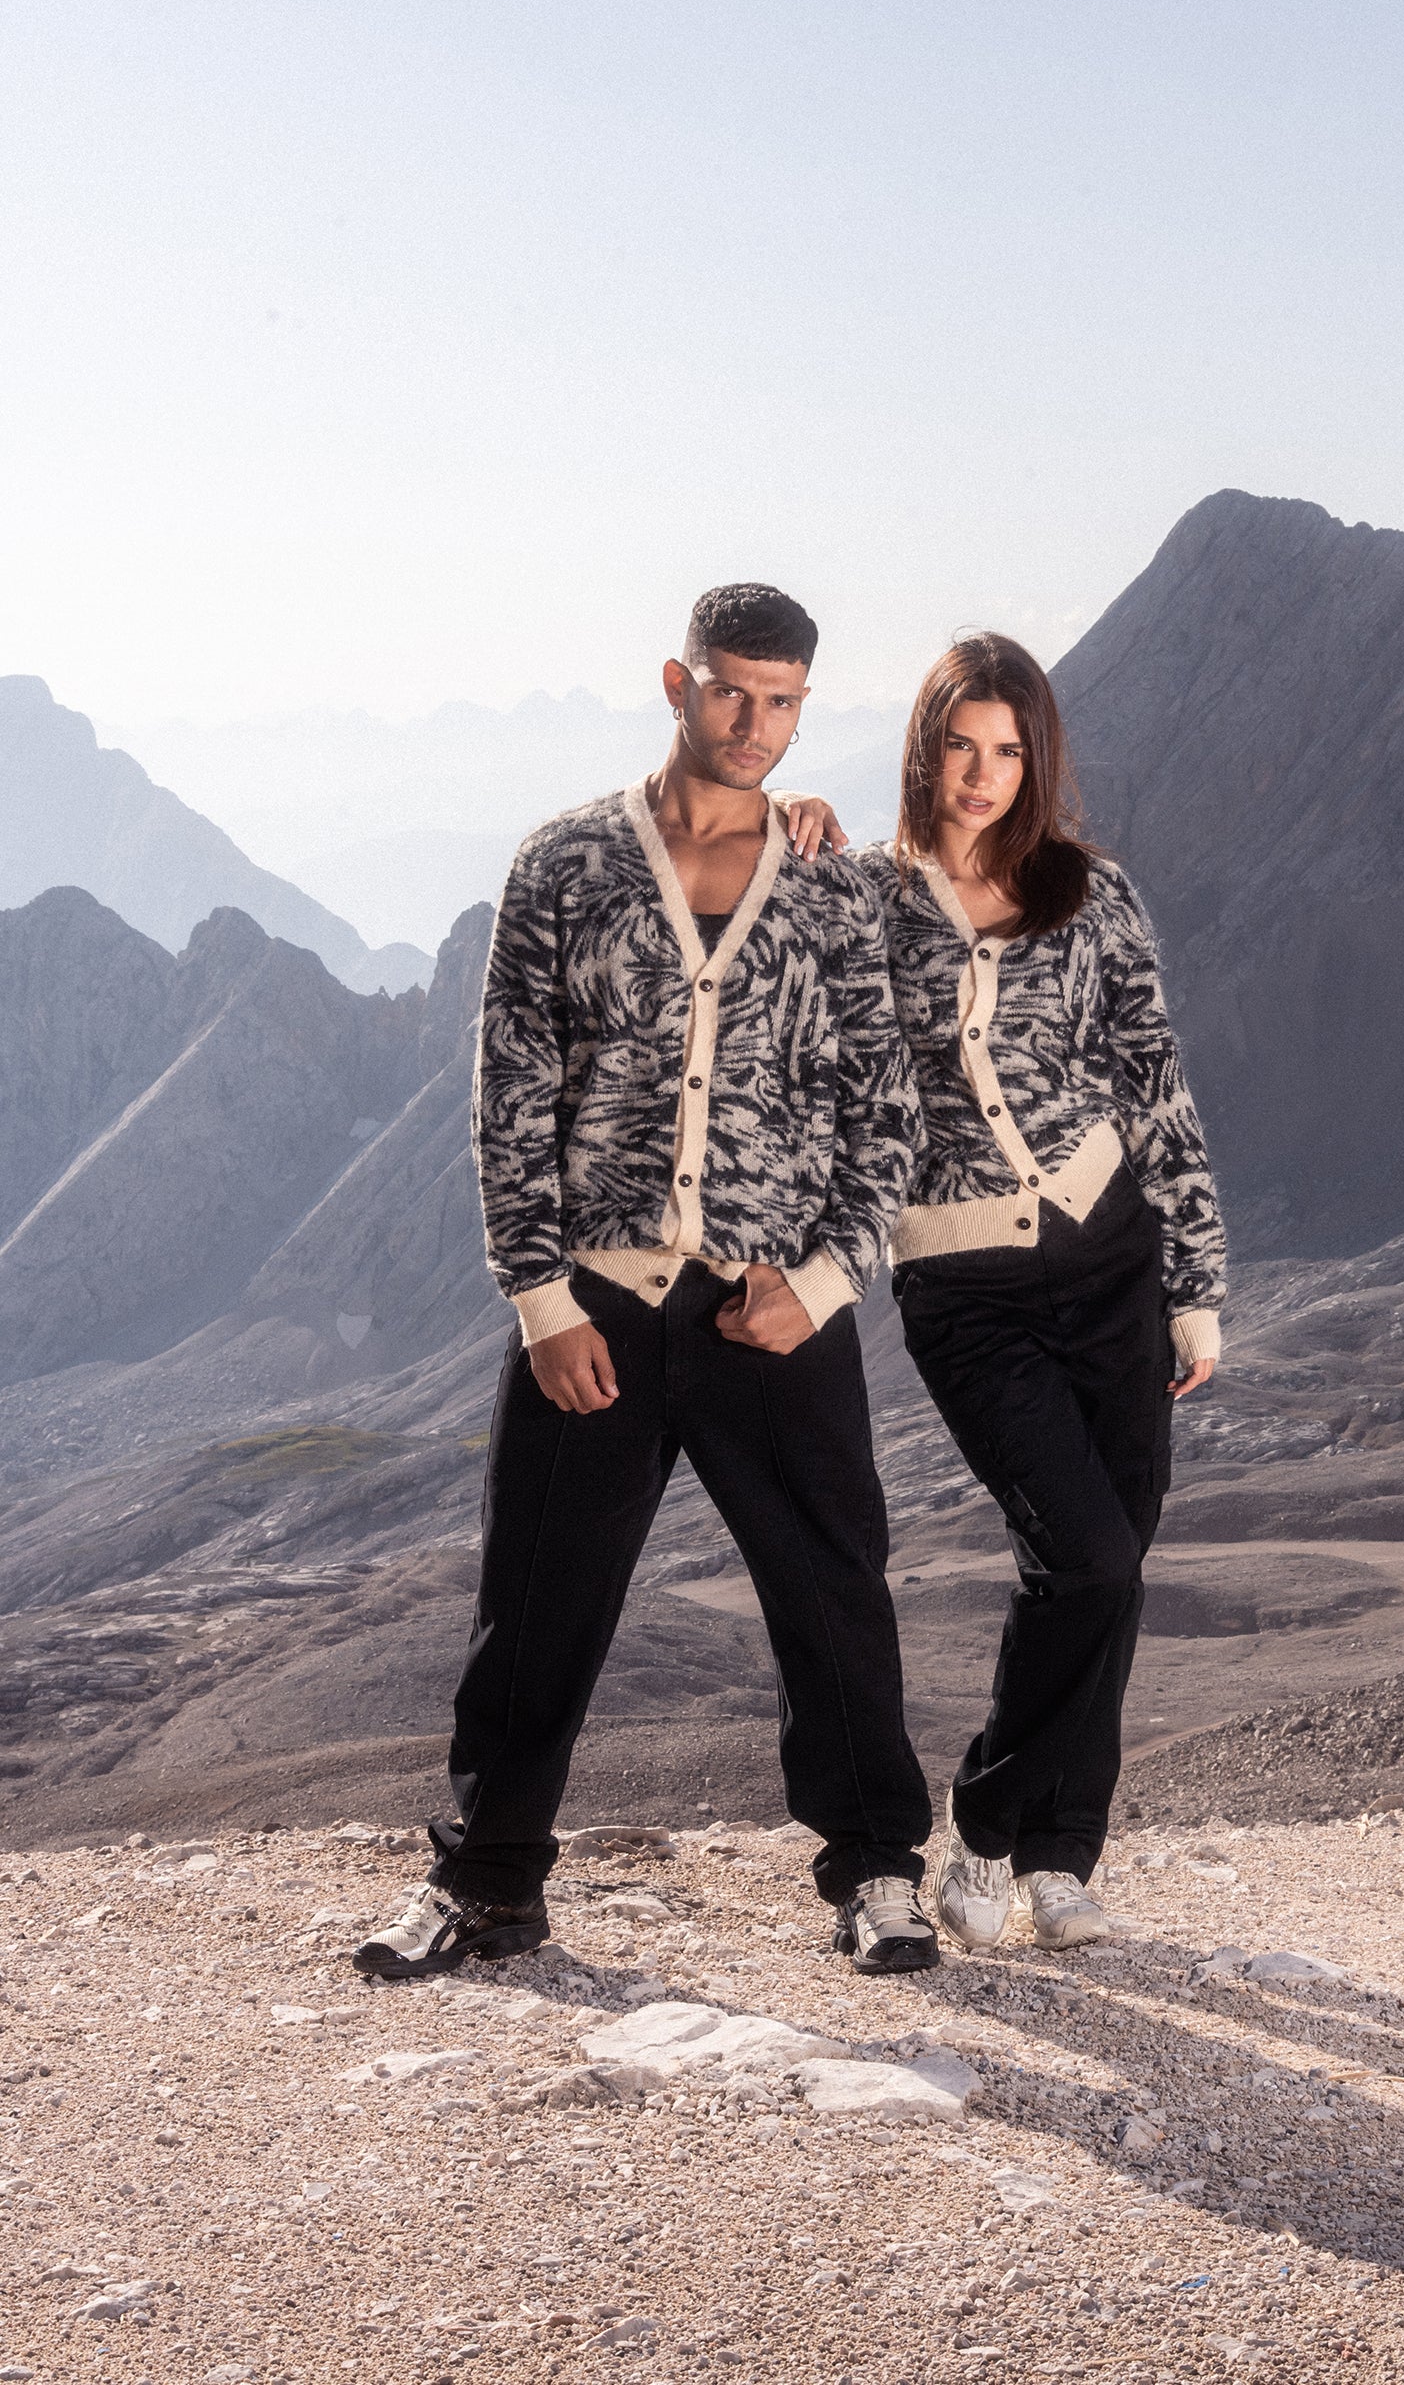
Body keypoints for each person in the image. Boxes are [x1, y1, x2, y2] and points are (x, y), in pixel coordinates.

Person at [352, 583, 939, 1982]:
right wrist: (543, 1303)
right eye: (732, 691)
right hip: (598, 1308)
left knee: (833, 1594)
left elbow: (887, 1111)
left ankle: (876, 1873)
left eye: (783, 702)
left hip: (772, 1307)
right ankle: (488, 1881)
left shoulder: (835, 890)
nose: (756, 724)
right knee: (535, 1602)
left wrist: (826, 1283)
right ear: (679, 684)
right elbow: (511, 1096)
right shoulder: (563, 863)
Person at [785, 633, 1224, 1951]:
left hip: (1113, 1257)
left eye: (1009, 752)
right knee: (1085, 1554)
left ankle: (1056, 1860)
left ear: (1037, 761)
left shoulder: (1090, 893)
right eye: (960, 747)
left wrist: (1194, 1281)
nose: (982, 775)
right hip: (964, 1289)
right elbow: (762, 966)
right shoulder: (858, 897)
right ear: (925, 751)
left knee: (1109, 1573)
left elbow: (1154, 1083)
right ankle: (982, 1823)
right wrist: (783, 816)